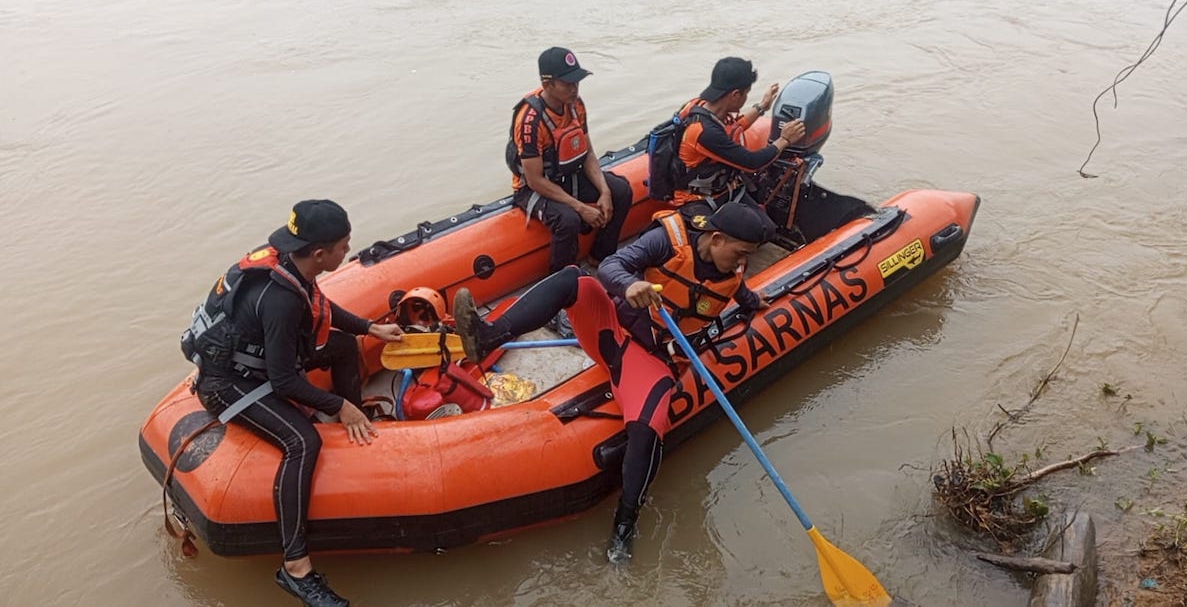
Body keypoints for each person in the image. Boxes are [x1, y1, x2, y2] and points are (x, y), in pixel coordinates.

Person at [452, 201, 776, 563]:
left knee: (648, 429)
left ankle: (624, 524)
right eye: (740, 253)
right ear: (716, 239)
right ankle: (489, 336)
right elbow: (611, 266)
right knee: (574, 279)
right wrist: (631, 284)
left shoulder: (732, 267)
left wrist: (752, 301)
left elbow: (735, 289)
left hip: (652, 359)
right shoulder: (667, 240)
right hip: (610, 330)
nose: (742, 261)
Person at [183, 199, 404, 607]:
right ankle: (296, 568)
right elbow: (284, 380)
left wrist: (370, 328)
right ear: (319, 253)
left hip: (259, 359)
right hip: (228, 383)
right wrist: (339, 405)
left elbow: (319, 307)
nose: (347, 251)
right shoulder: (280, 300)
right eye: (343, 246)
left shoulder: (291, 263)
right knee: (302, 442)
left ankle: (352, 431)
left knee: (343, 346)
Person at [506, 46, 634, 275]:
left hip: (567, 175)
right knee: (568, 220)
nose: (574, 88)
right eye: (567, 84)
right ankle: (562, 279)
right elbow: (534, 180)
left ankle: (601, 258)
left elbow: (588, 153)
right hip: (534, 187)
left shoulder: (576, 104)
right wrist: (580, 207)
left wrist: (604, 191)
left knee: (621, 191)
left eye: (577, 82)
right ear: (547, 85)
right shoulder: (530, 121)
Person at [672, 57, 807, 214]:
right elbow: (752, 162)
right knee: (761, 226)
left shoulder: (701, 105)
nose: (746, 98)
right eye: (746, 94)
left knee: (763, 216)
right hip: (697, 200)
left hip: (722, 190)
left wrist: (762, 107)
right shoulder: (704, 132)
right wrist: (784, 139)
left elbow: (734, 127)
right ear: (735, 95)